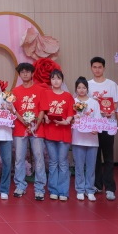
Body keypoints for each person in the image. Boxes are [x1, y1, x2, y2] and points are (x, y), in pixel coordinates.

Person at [11, 62, 47, 201]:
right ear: (19, 74)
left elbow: (42, 109)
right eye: (22, 72)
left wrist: (36, 124)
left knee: (39, 158)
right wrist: (23, 121)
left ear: (32, 73)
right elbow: (14, 110)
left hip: (37, 129)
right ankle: (20, 186)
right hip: (20, 129)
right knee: (19, 159)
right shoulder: (15, 91)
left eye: (27, 71)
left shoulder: (40, 90)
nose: (25, 74)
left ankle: (39, 188)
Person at [88, 57, 118, 201]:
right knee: (94, 156)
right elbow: (84, 104)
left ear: (104, 68)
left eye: (99, 67)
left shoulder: (112, 85)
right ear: (91, 68)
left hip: (108, 124)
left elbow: (116, 103)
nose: (97, 70)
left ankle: (110, 188)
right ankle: (97, 185)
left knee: (108, 157)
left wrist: (110, 111)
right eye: (94, 67)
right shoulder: (88, 84)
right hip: (93, 125)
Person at [41, 69, 74, 201]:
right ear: (50, 80)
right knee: (53, 162)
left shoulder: (68, 96)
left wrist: (67, 121)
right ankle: (53, 190)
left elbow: (71, 113)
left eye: (58, 78)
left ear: (62, 80)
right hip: (50, 132)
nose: (56, 81)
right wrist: (45, 118)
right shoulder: (46, 94)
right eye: (53, 78)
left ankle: (63, 191)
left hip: (64, 133)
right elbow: (43, 111)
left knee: (63, 162)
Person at [71, 77, 100, 201]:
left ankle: (90, 189)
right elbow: (70, 119)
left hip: (92, 139)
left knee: (91, 166)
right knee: (78, 166)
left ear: (87, 89)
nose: (81, 90)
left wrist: (96, 129)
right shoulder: (73, 101)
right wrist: (75, 119)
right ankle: (80, 189)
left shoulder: (94, 102)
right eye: (79, 87)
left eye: (84, 87)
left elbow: (98, 119)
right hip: (77, 139)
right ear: (76, 89)